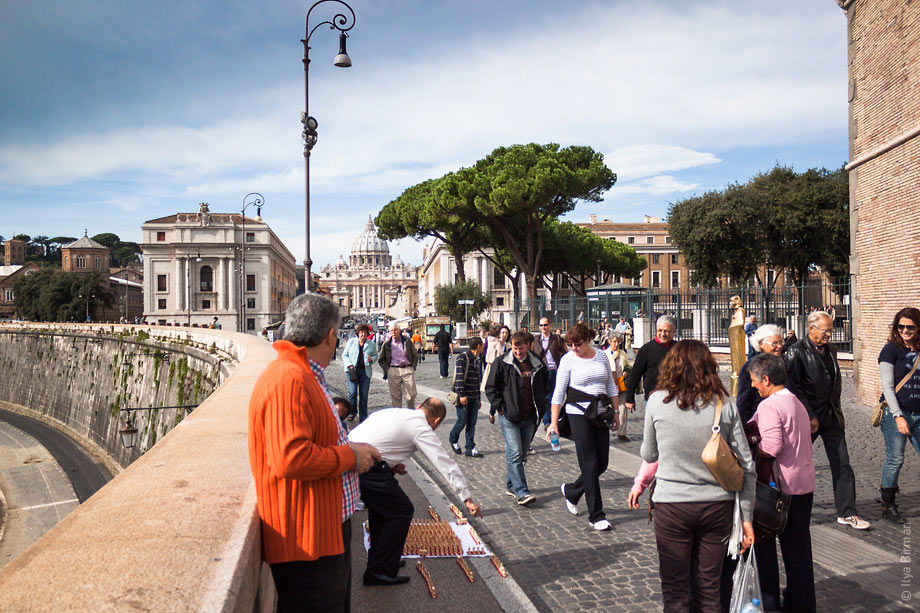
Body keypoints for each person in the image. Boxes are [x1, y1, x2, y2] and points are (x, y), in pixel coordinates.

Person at [248, 293, 381, 612]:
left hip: (319, 530)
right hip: (307, 541)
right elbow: (290, 458)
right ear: (330, 335)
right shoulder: (288, 380)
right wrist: (351, 457)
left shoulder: (302, 374)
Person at [640, 340, 756, 612]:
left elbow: (649, 453)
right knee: (709, 586)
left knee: (675, 588)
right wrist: (747, 518)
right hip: (717, 505)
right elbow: (747, 466)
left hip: (672, 505)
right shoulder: (724, 403)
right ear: (709, 366)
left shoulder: (656, 401)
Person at [349, 399, 482, 586]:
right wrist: (467, 498)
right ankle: (378, 571)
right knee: (401, 511)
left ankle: (382, 560)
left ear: (419, 406)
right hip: (368, 467)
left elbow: (379, 439)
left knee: (383, 512)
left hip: (353, 457)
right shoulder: (421, 426)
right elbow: (443, 462)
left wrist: (392, 466)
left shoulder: (396, 412)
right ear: (436, 421)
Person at [786, 310, 870, 530]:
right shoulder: (795, 352)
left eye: (832, 330)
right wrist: (809, 415)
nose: (830, 334)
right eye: (826, 330)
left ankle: (847, 512)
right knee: (795, 463)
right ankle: (783, 506)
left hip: (831, 415)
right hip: (808, 417)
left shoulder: (831, 350)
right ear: (811, 328)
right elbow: (794, 388)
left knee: (842, 463)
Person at [747, 353, 817, 612]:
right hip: (804, 484)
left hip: (780, 490)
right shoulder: (795, 401)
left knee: (767, 554)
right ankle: (803, 605)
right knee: (799, 553)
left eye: (754, 380)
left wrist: (750, 449)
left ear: (766, 379)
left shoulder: (769, 406)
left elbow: (772, 446)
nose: (753, 386)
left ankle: (772, 605)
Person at [547, 324, 619, 530]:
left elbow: (610, 385)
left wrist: (616, 412)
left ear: (588, 340)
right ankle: (596, 515)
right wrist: (553, 423)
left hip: (600, 411)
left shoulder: (602, 356)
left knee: (602, 463)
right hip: (577, 412)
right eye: (569, 345)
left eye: (577, 344)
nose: (573, 348)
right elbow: (558, 393)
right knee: (589, 463)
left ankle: (572, 491)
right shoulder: (567, 360)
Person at [485, 330, 548, 506]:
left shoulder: (536, 363)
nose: (517, 352)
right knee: (515, 453)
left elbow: (545, 385)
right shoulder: (502, 363)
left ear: (527, 346)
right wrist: (501, 408)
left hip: (529, 416)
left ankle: (511, 485)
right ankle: (522, 492)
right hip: (509, 417)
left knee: (522, 455)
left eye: (520, 348)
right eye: (514, 348)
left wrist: (542, 404)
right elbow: (490, 388)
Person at [877, 307, 920, 523]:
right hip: (898, 413)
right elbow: (888, 387)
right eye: (901, 326)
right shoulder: (891, 350)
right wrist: (898, 416)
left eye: (910, 326)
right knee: (895, 459)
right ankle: (888, 504)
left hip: (919, 412)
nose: (905, 330)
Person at [624, 315, 676, 412]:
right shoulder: (646, 350)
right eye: (659, 330)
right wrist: (629, 398)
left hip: (675, 398)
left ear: (674, 332)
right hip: (653, 398)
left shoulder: (679, 349)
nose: (662, 334)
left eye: (666, 331)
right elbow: (635, 374)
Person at [736, 324, 784, 423]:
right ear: (761, 344)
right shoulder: (751, 366)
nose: (779, 346)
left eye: (781, 342)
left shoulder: (784, 363)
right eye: (774, 343)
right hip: (762, 419)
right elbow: (744, 400)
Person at [449, 337, 485, 457]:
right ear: (479, 346)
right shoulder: (463, 357)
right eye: (483, 345)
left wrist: (479, 398)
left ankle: (470, 447)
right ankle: (453, 439)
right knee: (462, 421)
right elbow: (459, 377)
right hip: (463, 397)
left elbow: (477, 380)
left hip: (474, 397)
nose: (484, 347)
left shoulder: (477, 359)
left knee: (472, 424)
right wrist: (462, 395)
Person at [342, 323, 379, 422]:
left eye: (365, 333)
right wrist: (349, 365)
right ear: (358, 333)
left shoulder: (371, 344)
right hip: (352, 371)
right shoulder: (351, 342)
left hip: (365, 371)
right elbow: (345, 355)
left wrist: (372, 359)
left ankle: (363, 415)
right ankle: (352, 412)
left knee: (364, 394)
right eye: (361, 332)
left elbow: (376, 355)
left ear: (367, 334)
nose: (363, 335)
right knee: (352, 393)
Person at [378, 321, 418, 409]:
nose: (393, 332)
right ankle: (398, 416)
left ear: (399, 331)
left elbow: (415, 354)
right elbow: (381, 359)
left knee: (411, 395)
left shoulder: (407, 341)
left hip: (407, 369)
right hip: (393, 370)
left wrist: (413, 366)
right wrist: (387, 370)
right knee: (396, 397)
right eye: (391, 331)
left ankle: (410, 414)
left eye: (395, 330)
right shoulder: (387, 344)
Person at [534, 317, 564, 430]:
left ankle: (553, 419)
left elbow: (564, 353)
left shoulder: (557, 339)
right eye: (541, 325)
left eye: (545, 325)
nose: (543, 327)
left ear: (550, 325)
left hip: (553, 371)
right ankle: (546, 420)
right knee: (544, 397)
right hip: (541, 372)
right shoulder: (536, 340)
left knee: (554, 396)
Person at [605, 335, 631, 442]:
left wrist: (626, 372)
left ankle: (622, 433)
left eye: (618, 342)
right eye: (614, 342)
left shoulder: (623, 354)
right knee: (606, 409)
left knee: (623, 409)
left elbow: (628, 367)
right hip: (608, 386)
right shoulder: (604, 355)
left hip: (621, 385)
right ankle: (605, 430)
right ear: (609, 342)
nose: (616, 344)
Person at [485, 325, 511, 422]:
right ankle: (492, 412)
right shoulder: (493, 343)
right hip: (495, 371)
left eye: (506, 333)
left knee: (503, 392)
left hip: (506, 373)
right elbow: (488, 357)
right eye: (503, 332)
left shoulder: (509, 346)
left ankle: (499, 411)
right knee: (495, 392)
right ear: (499, 333)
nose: (504, 335)